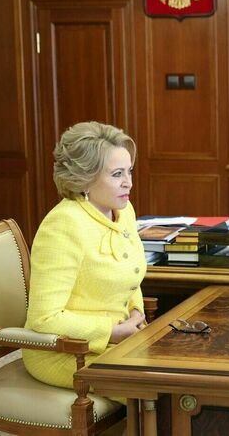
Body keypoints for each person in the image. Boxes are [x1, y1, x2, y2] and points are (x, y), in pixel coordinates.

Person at [23, 121, 147, 389]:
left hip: (121, 340)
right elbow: (44, 319)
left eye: (129, 171)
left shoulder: (123, 210)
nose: (129, 183)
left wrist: (136, 311)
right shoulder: (63, 225)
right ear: (85, 179)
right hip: (66, 352)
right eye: (117, 174)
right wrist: (112, 332)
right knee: (158, 388)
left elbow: (130, 273)